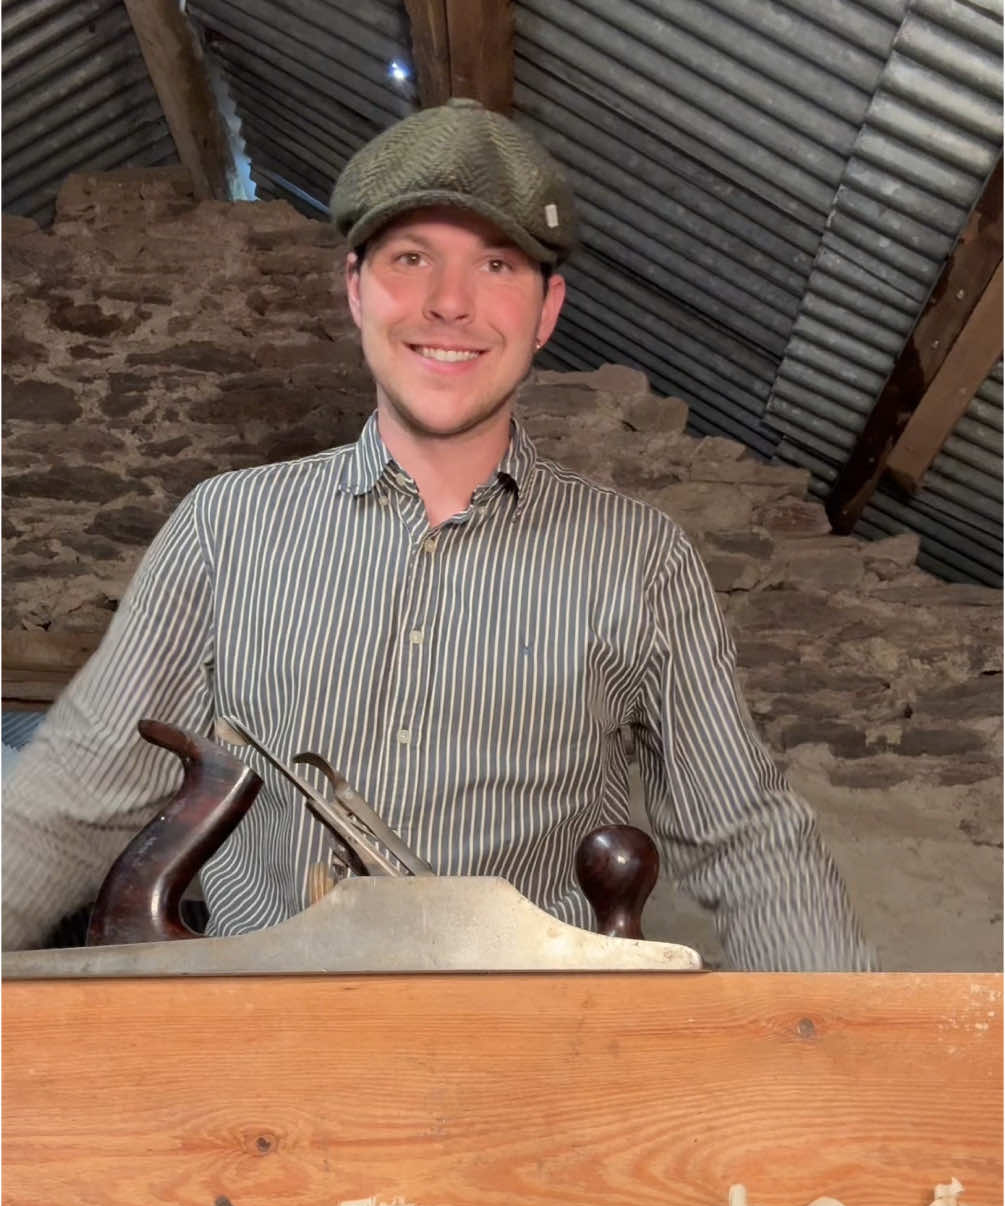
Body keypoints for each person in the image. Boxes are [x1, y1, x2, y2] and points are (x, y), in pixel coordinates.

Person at [2, 99, 875, 971]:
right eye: (410, 259)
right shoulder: (224, 530)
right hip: (264, 1052)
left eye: (495, 266)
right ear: (355, 289)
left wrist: (850, 1054)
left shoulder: (640, 558)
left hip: (533, 1059)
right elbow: (71, 797)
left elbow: (746, 839)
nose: (448, 303)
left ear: (546, 311)